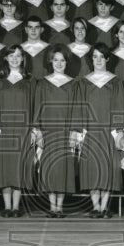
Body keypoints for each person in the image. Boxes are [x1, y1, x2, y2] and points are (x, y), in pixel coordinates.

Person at [73, 43, 124, 218]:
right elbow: (79, 107)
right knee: (92, 168)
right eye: (95, 56)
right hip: (90, 130)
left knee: (107, 168)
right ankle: (95, 206)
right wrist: (78, 131)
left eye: (102, 57)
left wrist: (119, 131)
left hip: (109, 131)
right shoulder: (84, 82)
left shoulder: (115, 81)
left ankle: (104, 206)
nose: (98, 60)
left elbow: (119, 107)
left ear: (107, 59)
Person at [0, 45, 34, 217]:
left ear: (23, 59)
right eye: (11, 56)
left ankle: (16, 206)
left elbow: (34, 105)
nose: (15, 59)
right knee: (5, 166)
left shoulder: (29, 81)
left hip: (23, 128)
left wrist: (34, 129)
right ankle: (7, 206)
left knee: (18, 166)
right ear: (5, 58)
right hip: (3, 128)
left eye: (18, 56)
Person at [32, 44, 78, 218]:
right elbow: (38, 108)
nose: (59, 63)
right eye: (56, 60)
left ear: (66, 62)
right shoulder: (43, 83)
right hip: (48, 130)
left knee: (63, 167)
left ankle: (60, 207)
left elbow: (76, 108)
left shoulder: (73, 84)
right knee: (50, 168)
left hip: (66, 130)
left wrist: (74, 131)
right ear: (51, 61)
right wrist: (38, 131)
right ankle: (53, 207)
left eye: (62, 60)